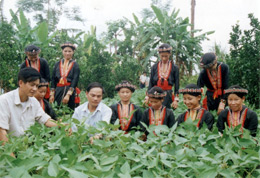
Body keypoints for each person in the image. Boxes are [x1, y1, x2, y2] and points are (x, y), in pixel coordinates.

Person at [0, 68, 59, 146]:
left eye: (37, 86)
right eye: (32, 85)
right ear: (21, 83)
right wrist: (11, 155)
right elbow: (1, 131)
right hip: (9, 147)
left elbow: (45, 120)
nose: (34, 89)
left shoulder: (33, 101)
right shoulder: (4, 100)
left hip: (26, 147)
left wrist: (62, 126)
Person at [49, 42, 80, 110]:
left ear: (73, 52)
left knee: (69, 110)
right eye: (65, 51)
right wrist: (52, 94)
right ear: (62, 51)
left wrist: (68, 95)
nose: (67, 53)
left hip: (70, 91)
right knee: (57, 109)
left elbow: (75, 80)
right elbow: (53, 79)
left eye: (69, 51)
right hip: (58, 90)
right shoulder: (57, 64)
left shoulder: (75, 65)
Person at [148, 43, 179, 109]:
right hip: (155, 94)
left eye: (166, 56)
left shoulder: (174, 68)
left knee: (166, 112)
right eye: (162, 56)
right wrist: (148, 96)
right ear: (159, 55)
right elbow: (151, 83)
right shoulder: (154, 67)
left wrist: (176, 99)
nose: (164, 58)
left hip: (168, 94)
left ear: (169, 54)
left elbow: (177, 84)